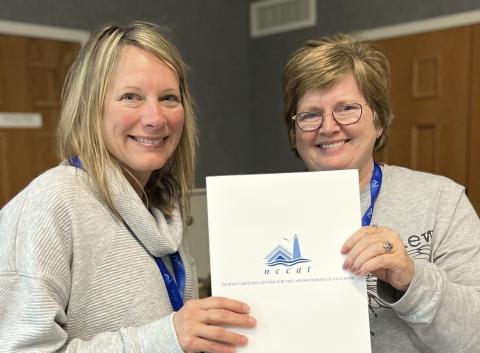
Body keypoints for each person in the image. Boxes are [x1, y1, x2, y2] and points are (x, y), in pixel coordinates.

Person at [0, 22, 255, 353]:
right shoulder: (50, 203)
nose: (155, 118)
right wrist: (167, 337)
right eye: (131, 97)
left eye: (168, 98)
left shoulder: (163, 209)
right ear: (92, 107)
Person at [282, 34, 480, 353]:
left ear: (379, 121)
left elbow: (475, 337)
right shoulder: (264, 212)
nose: (328, 127)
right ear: (294, 132)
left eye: (347, 109)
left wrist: (412, 280)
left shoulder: (442, 202)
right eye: (309, 114)